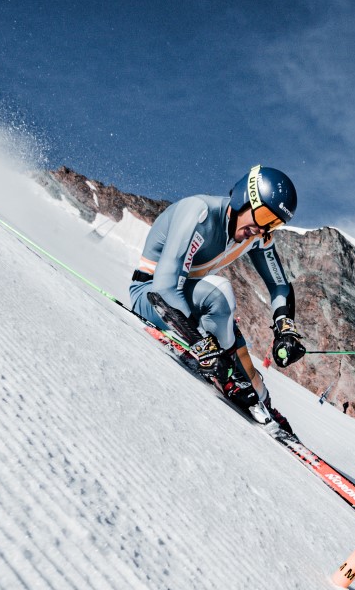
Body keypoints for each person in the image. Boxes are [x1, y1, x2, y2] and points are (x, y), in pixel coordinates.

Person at [129, 165, 307, 432]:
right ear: (244, 198)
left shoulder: (257, 234)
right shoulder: (198, 212)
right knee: (220, 294)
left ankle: (263, 402)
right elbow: (164, 288)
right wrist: (200, 344)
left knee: (246, 366)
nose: (262, 229)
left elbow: (279, 284)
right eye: (265, 215)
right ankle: (230, 381)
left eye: (274, 223)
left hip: (187, 302)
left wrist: (285, 327)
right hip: (151, 297)